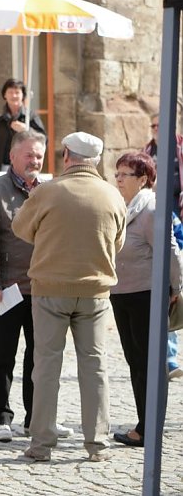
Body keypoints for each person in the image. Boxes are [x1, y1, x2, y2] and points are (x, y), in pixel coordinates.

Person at [12, 131, 126, 462]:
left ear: (66, 156)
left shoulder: (48, 192)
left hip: (50, 291)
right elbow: (118, 242)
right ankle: (97, 445)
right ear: (95, 161)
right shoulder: (112, 195)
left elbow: (20, 229)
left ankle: (41, 445)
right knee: (95, 368)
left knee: (46, 367)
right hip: (95, 293)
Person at [0, 131, 72, 442]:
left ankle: (37, 419)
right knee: (4, 356)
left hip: (43, 289)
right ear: (14, 156)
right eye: (29, 155)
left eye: (39, 156)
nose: (35, 161)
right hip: (7, 290)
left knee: (40, 357)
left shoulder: (49, 190)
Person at [109, 152, 183, 448]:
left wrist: (176, 288)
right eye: (117, 173)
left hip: (148, 294)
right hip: (122, 293)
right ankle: (145, 424)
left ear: (143, 179)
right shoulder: (122, 207)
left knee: (149, 363)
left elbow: (171, 252)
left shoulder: (151, 208)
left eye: (125, 174)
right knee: (135, 361)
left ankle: (149, 428)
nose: (118, 179)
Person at [142, 114, 183, 379]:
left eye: (160, 125)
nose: (156, 130)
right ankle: (167, 359)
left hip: (177, 219)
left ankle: (168, 357)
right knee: (166, 293)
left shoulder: (180, 149)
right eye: (154, 126)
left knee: (172, 291)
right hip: (156, 219)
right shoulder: (147, 152)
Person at [0, 78, 47, 172]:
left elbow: (44, 140)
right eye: (10, 92)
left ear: (23, 95)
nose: (14, 95)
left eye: (17, 92)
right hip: (2, 168)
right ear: (5, 95)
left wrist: (27, 130)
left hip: (26, 167)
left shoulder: (30, 116)